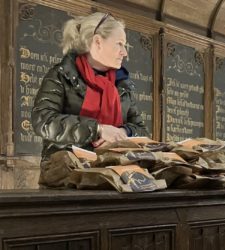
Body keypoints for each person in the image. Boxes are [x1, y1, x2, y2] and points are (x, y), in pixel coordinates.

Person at [31, 12, 148, 187]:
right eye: (119, 44)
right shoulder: (61, 75)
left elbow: (142, 131)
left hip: (115, 175)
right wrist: (98, 129)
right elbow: (43, 120)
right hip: (67, 178)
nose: (124, 52)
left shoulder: (122, 84)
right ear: (98, 41)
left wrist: (122, 133)